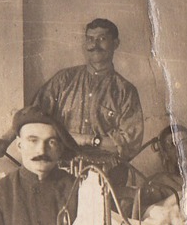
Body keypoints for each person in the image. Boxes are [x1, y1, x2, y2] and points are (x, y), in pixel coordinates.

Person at [30, 18, 145, 161]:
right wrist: (5, 140)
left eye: (101, 39)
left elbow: (129, 144)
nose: (94, 45)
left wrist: (88, 140)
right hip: (61, 171)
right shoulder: (63, 80)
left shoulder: (125, 91)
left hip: (107, 175)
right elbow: (33, 115)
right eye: (90, 39)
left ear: (115, 43)